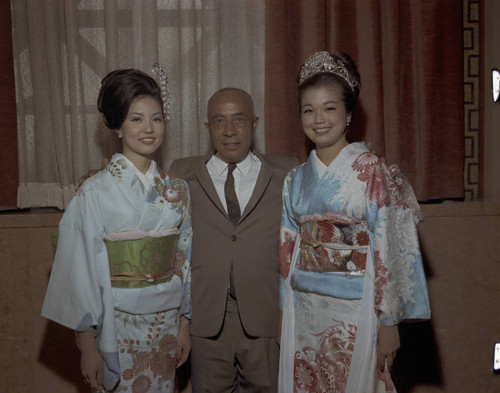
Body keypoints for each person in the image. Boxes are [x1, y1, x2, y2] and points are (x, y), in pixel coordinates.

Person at [278, 51, 430, 393]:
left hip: (355, 304)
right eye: (308, 109)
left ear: (349, 114)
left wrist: (389, 321)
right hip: (301, 306)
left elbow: (388, 246)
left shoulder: (372, 170)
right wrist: (281, 312)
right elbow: (287, 253)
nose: (318, 118)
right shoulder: (294, 179)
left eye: (329, 108)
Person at [41, 66, 192, 393]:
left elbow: (185, 259)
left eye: (157, 118)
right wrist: (87, 345)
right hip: (116, 324)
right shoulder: (94, 191)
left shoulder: (177, 189)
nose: (149, 128)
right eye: (136, 119)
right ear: (117, 126)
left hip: (165, 323)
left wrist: (184, 325)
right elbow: (78, 268)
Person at [169, 87, 298, 392]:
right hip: (207, 318)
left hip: (267, 317)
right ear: (207, 128)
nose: (229, 131)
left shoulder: (288, 171)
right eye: (219, 121)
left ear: (254, 123)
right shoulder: (179, 174)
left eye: (238, 120)